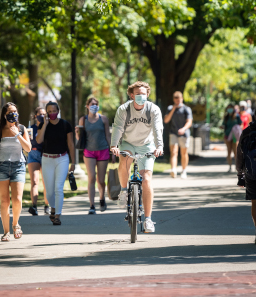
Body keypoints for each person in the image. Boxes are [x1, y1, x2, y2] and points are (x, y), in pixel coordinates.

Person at [110, 81, 163, 233]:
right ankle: (123, 191)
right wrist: (114, 145)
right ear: (132, 95)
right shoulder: (124, 109)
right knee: (124, 159)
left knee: (146, 179)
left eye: (143, 93)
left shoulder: (153, 109)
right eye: (137, 94)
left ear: (148, 94)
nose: (141, 96)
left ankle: (147, 220)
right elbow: (118, 128)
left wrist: (160, 147)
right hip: (128, 143)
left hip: (147, 145)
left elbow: (157, 129)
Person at [0, 102, 31, 242]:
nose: (13, 114)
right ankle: (6, 232)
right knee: (5, 201)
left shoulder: (22, 128)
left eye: (15, 111)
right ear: (5, 115)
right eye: (10, 112)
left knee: (17, 199)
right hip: (1, 166)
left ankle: (15, 224)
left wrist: (18, 134)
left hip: (18, 166)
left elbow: (28, 148)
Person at [36, 101, 75, 225]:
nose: (52, 113)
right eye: (50, 111)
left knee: (58, 188)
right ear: (46, 113)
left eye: (54, 111)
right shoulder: (43, 125)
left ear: (58, 111)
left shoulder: (65, 125)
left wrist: (73, 162)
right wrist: (45, 124)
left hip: (62, 158)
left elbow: (70, 144)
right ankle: (52, 207)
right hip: (47, 159)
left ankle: (57, 214)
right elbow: (39, 140)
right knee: (50, 191)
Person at [76, 97, 111, 215]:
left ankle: (102, 198)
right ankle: (92, 205)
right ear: (87, 106)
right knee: (91, 178)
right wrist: (77, 133)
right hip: (89, 152)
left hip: (103, 150)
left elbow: (108, 136)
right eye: (92, 104)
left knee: (101, 180)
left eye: (96, 104)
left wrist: (112, 151)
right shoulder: (83, 119)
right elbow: (80, 139)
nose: (94, 106)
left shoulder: (104, 119)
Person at [164, 91, 193, 179]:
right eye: (176, 100)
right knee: (174, 152)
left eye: (179, 100)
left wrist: (184, 129)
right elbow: (166, 120)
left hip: (184, 134)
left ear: (182, 99)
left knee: (183, 153)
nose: (177, 102)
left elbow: (189, 121)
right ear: (174, 100)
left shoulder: (186, 109)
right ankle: (173, 169)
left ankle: (184, 171)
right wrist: (173, 109)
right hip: (173, 133)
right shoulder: (170, 108)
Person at [236, 118, 256, 244]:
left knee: (255, 202)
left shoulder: (247, 131)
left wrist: (240, 174)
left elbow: (240, 154)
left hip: (251, 173)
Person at [27, 107, 49, 216]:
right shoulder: (30, 129)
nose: (42, 116)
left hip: (45, 155)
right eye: (40, 114)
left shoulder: (48, 128)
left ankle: (47, 206)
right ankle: (34, 206)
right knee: (35, 181)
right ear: (35, 115)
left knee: (46, 182)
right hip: (33, 154)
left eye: (44, 114)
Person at [221, 103, 242, 172]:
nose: (230, 109)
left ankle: (237, 167)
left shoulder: (237, 116)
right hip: (227, 135)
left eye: (231, 108)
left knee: (236, 151)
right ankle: (230, 167)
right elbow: (223, 125)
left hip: (235, 136)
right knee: (229, 151)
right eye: (228, 108)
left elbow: (240, 125)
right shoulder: (226, 117)